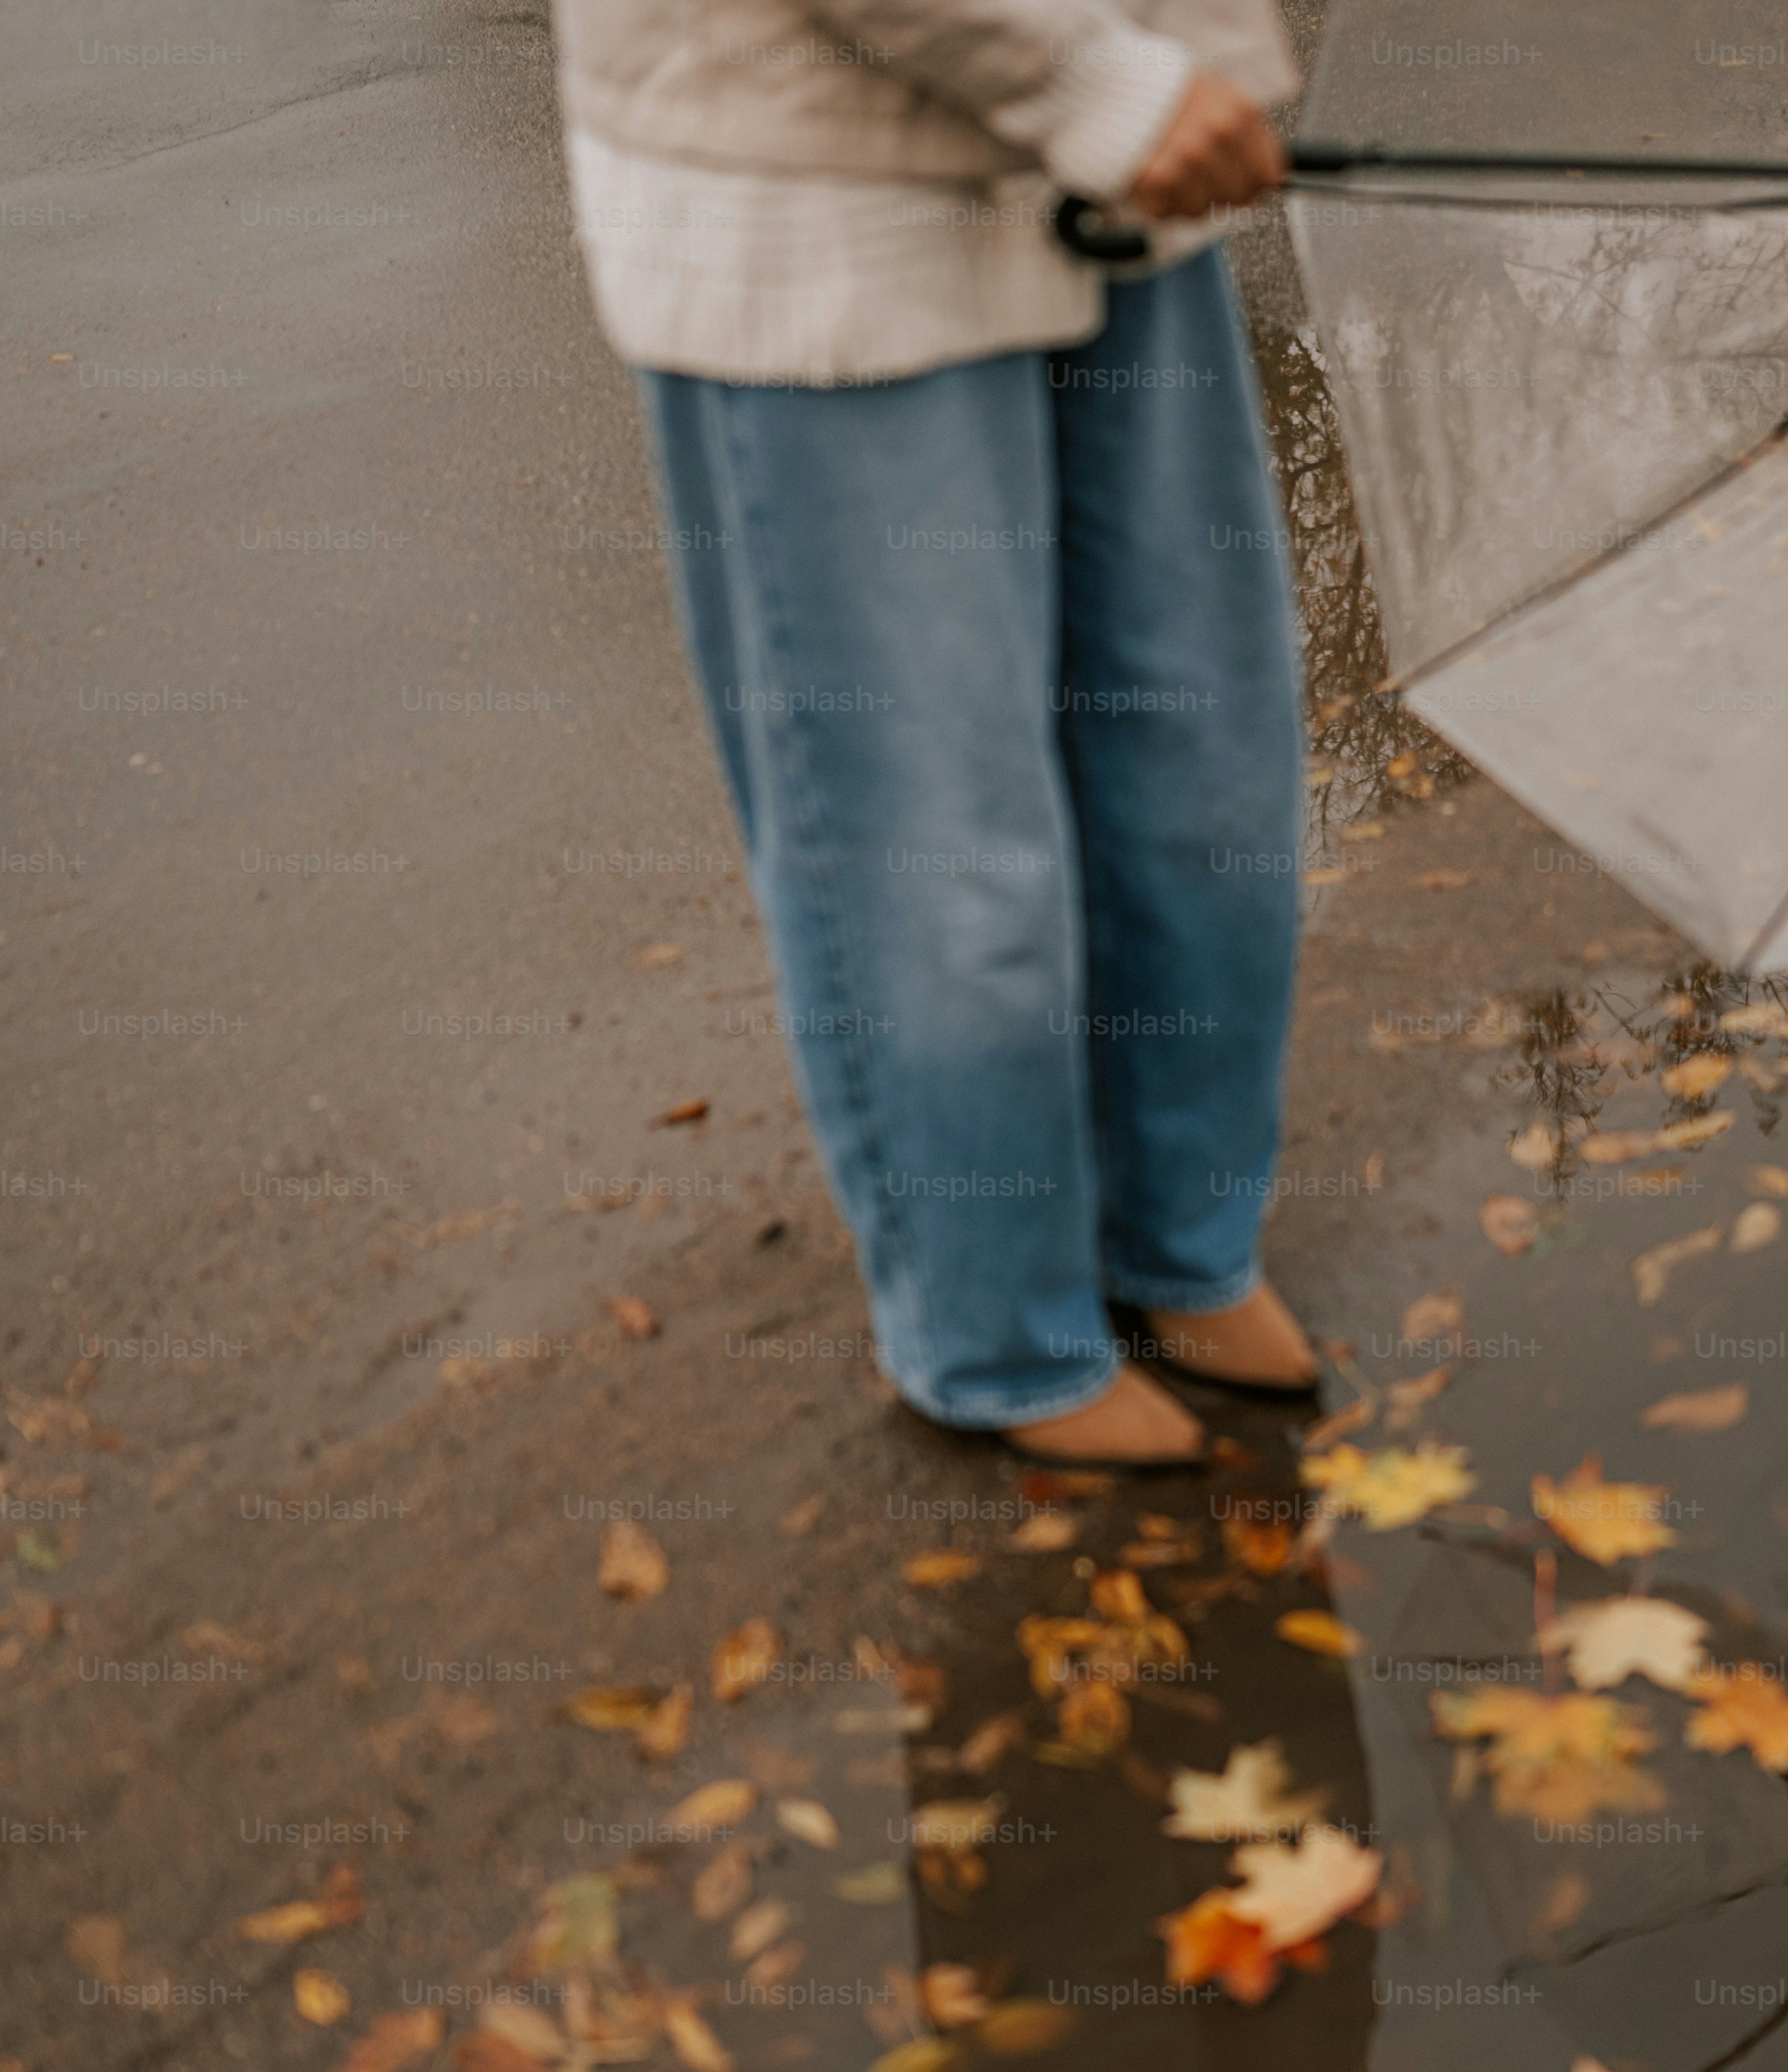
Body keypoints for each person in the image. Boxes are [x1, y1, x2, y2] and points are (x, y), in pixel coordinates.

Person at [553, 0, 1317, 1461]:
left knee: (1196, 751)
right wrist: (1091, 81)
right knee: (934, 828)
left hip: (1132, 148)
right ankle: (996, 1326)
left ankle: (1177, 1240)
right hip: (825, 184)